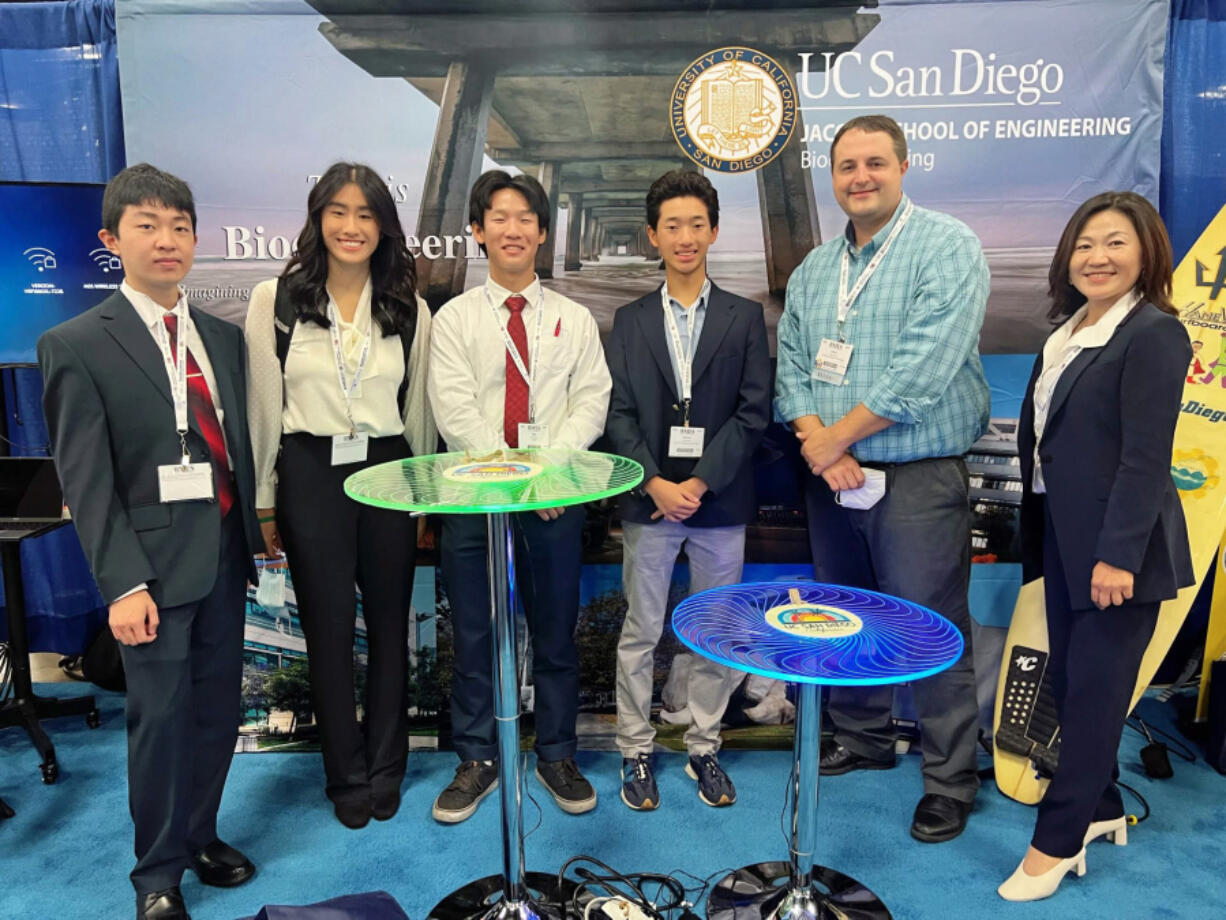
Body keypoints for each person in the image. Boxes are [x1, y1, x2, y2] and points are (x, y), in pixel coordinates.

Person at [38, 164, 262, 920]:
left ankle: (200, 834)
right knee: (158, 723)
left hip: (225, 555)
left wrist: (256, 536)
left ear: (195, 238)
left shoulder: (222, 338)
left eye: (179, 227)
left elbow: (231, 445)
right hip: (151, 577)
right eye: (147, 226)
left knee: (216, 714)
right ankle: (157, 875)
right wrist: (122, 584)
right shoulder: (76, 343)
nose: (166, 241)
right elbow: (88, 479)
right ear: (112, 240)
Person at [774, 114, 988, 843]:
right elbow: (793, 369)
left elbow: (921, 373)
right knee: (841, 614)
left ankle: (950, 778)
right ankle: (861, 738)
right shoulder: (812, 269)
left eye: (874, 163)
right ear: (831, 178)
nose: (859, 177)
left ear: (902, 167)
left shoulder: (946, 246)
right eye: (845, 166)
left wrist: (832, 439)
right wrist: (820, 447)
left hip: (918, 475)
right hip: (832, 478)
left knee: (930, 627)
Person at [1000, 191, 1193, 901]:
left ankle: (1053, 846)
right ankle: (1103, 805)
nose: (1097, 256)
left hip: (1119, 552)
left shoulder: (1153, 334)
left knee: (1092, 700)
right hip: (1061, 536)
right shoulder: (1070, 330)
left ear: (1145, 252)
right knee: (1073, 684)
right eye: (1084, 243)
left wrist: (1116, 555)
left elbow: (1146, 458)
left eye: (1114, 242)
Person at [245, 162, 435, 829]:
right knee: (327, 635)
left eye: (366, 213)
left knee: (389, 630)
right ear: (318, 217)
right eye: (339, 211)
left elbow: (417, 418)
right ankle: (345, 775)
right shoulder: (276, 299)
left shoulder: (410, 305)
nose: (352, 226)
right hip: (311, 472)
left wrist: (419, 499)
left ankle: (387, 767)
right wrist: (266, 500)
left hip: (387, 471)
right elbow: (264, 410)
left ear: (384, 224)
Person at [427, 170, 611, 822]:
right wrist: (507, 479)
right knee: (474, 636)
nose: (512, 228)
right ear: (477, 231)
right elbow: (454, 410)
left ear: (540, 231)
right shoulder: (453, 320)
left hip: (555, 501)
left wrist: (545, 476)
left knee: (557, 635)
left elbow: (591, 401)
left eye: (524, 217)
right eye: (498, 217)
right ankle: (476, 759)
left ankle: (556, 752)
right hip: (474, 504)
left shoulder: (573, 318)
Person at [604, 170, 770, 810]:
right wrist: (654, 481)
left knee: (715, 631)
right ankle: (635, 750)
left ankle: (704, 748)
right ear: (653, 236)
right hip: (650, 501)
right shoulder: (630, 320)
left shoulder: (745, 316)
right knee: (641, 631)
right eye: (671, 225)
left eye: (696, 224)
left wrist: (697, 481)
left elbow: (755, 413)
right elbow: (616, 413)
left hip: (718, 501)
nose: (685, 237)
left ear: (715, 231)